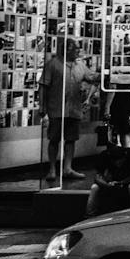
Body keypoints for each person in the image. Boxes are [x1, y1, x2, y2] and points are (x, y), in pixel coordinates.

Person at [38, 39, 90, 187]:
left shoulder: (80, 66)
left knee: (71, 139)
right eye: (76, 49)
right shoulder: (53, 65)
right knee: (54, 139)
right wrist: (42, 107)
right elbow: (43, 86)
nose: (78, 52)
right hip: (56, 108)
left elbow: (92, 77)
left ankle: (67, 168)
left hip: (73, 109)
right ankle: (52, 169)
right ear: (67, 50)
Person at [85, 128, 130, 217]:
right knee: (94, 187)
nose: (118, 164)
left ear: (125, 156)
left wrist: (120, 183)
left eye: (120, 161)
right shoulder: (104, 156)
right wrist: (106, 184)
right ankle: (89, 216)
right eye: (115, 162)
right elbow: (97, 178)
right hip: (114, 183)